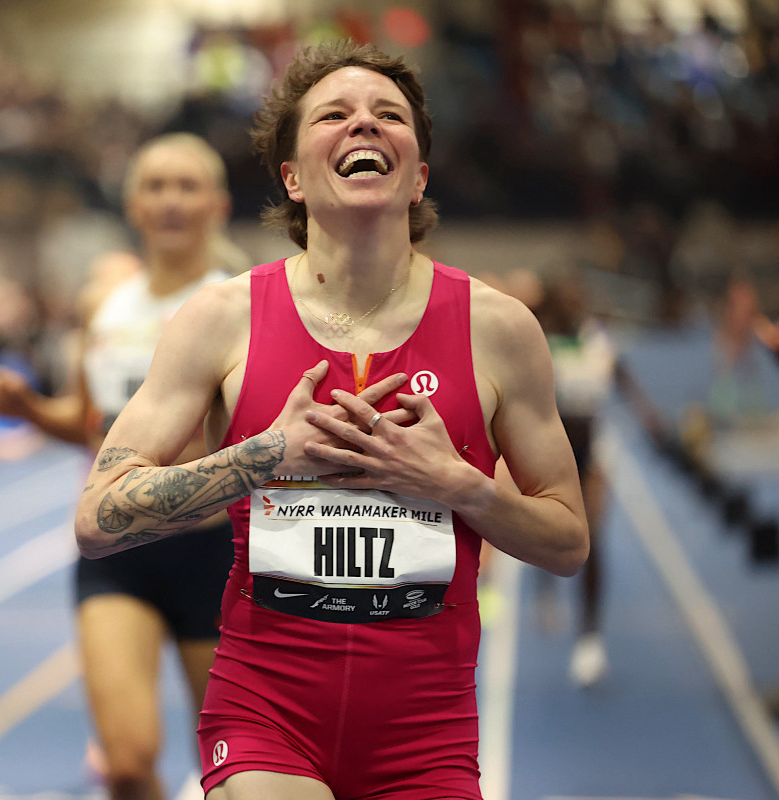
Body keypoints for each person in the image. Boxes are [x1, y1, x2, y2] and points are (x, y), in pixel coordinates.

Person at [75, 41, 588, 799]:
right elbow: (97, 519)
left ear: (419, 176)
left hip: (428, 734)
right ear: (292, 178)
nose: (364, 124)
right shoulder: (221, 320)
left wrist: (459, 485)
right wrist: (266, 455)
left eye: (389, 115)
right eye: (334, 115)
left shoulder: (499, 328)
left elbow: (569, 541)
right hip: (265, 714)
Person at [0, 133, 239, 800]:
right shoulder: (105, 305)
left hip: (214, 551)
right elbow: (90, 423)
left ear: (218, 205)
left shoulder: (239, 304)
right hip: (118, 550)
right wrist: (30, 409)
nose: (171, 200)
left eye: (187, 186)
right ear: (133, 206)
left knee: (233, 771)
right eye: (156, 186)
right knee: (124, 765)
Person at [535, 272, 617, 687]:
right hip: (550, 454)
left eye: (577, 300)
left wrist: (656, 427)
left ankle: (589, 638)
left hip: (593, 452)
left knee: (592, 540)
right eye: (566, 300)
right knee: (544, 531)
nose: (574, 307)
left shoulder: (596, 339)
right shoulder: (538, 341)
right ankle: (545, 587)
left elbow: (624, 379)